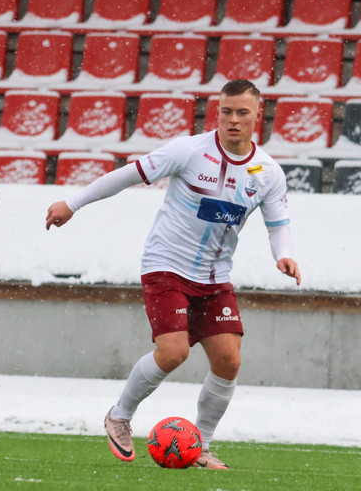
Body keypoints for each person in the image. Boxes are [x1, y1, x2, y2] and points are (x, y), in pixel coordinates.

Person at [46, 79, 301, 469]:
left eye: (242, 112)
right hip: (166, 265)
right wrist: (73, 203)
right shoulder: (189, 150)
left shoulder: (267, 171)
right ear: (217, 112)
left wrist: (284, 256)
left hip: (215, 277)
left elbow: (278, 225)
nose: (233, 120)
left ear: (257, 115)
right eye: (226, 111)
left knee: (229, 361)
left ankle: (201, 446)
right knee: (174, 352)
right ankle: (119, 416)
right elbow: (127, 175)